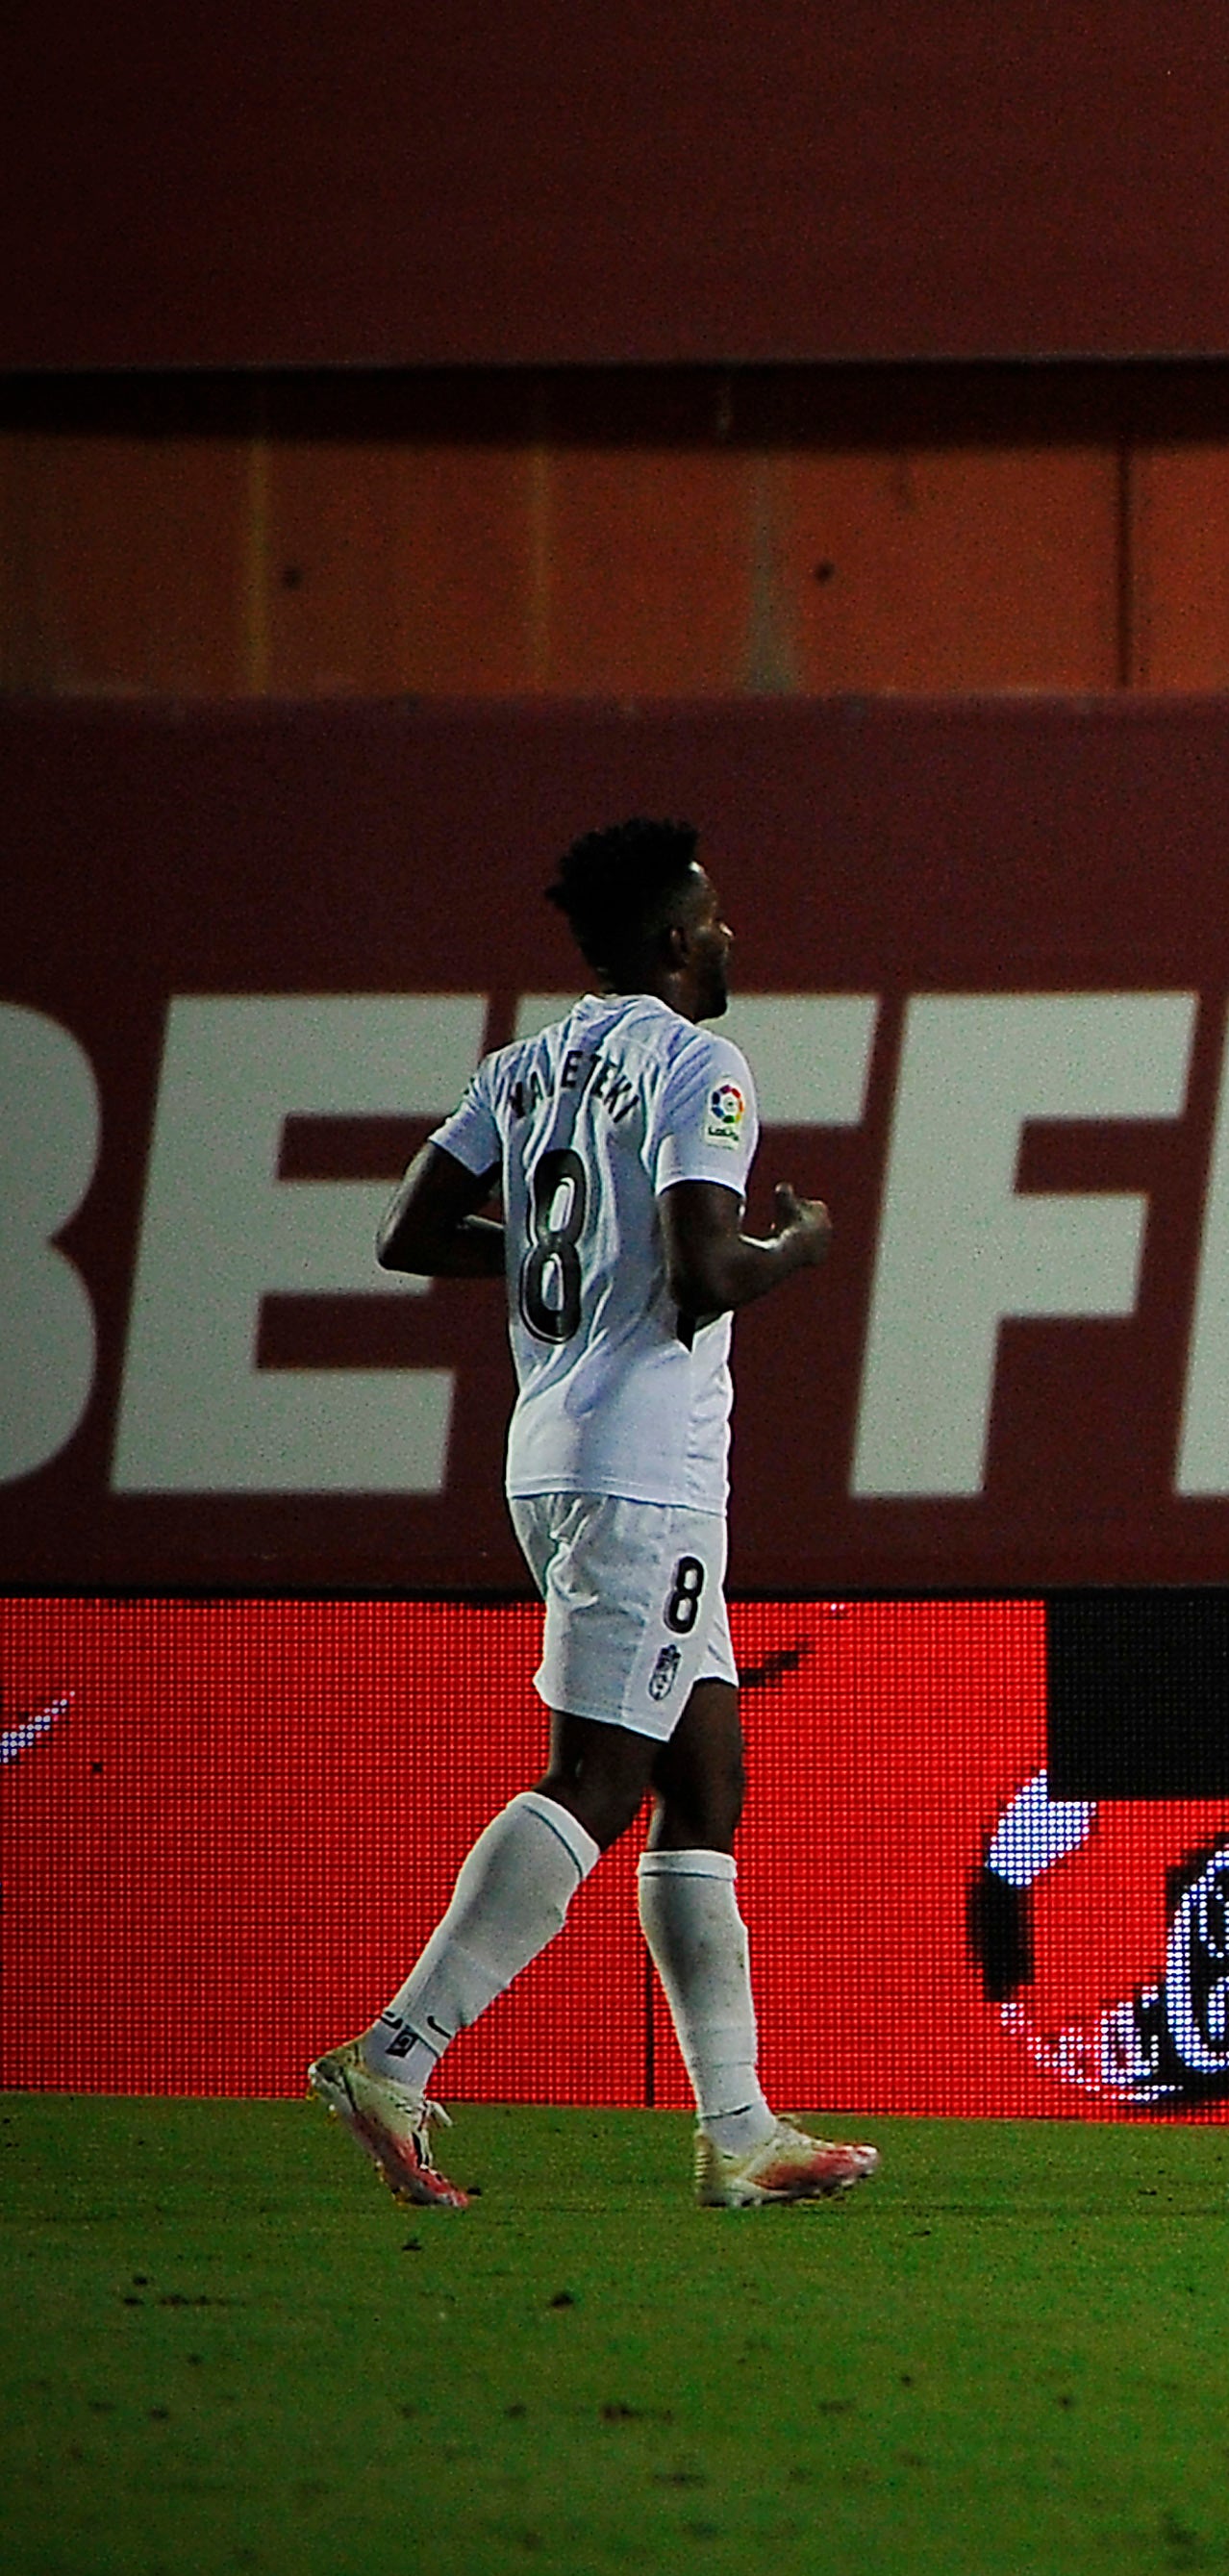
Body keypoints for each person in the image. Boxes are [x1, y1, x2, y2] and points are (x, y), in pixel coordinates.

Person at [318, 819, 873, 2210]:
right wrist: (796, 1244)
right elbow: (701, 1269)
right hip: (643, 1469)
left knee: (707, 1775)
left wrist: (549, 1258)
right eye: (717, 915)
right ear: (679, 939)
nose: (731, 935)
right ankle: (398, 2052)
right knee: (603, 1776)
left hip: (552, 1442)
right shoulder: (700, 1061)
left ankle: (740, 2129)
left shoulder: (523, 1064)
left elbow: (405, 1231)